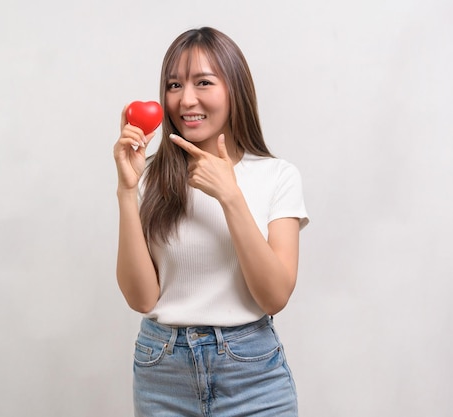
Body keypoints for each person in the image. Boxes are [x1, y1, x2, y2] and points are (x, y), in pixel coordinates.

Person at [113, 26, 309, 417]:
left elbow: (275, 297)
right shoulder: (154, 176)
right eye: (173, 85)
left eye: (203, 82)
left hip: (252, 377)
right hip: (163, 372)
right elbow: (142, 299)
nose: (186, 100)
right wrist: (126, 191)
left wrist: (230, 196)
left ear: (235, 89)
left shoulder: (278, 176)